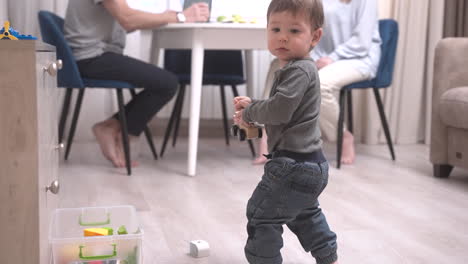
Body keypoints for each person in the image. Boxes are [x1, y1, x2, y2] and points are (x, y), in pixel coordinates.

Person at [233, 0, 338, 263]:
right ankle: (328, 257)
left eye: (294, 31)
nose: (282, 38)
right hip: (311, 164)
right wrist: (254, 110)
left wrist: (250, 111)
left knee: (262, 214)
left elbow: (279, 111)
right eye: (275, 29)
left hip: (293, 166)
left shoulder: (300, 70)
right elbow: (282, 112)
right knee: (305, 214)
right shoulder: (295, 69)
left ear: (315, 36)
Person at [64, 0, 210, 168]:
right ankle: (115, 129)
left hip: (92, 55)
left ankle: (112, 127)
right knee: (167, 83)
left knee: (165, 82)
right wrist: (182, 16)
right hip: (91, 57)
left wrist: (168, 17)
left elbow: (126, 22)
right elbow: (128, 19)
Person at [255, 0, 381, 166]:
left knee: (319, 84)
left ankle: (343, 136)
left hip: (357, 58)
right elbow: (309, 31)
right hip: (324, 57)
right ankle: (267, 135)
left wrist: (332, 58)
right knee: (277, 66)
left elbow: (362, 40)